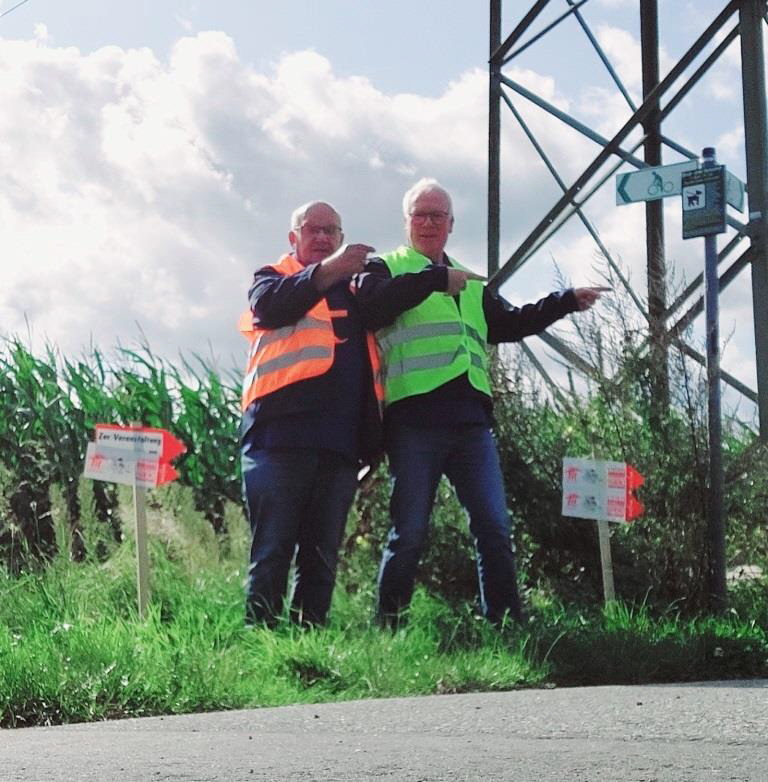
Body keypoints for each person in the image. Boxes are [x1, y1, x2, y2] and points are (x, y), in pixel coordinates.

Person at [355, 178, 607, 627]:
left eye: (437, 215)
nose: (428, 223)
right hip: (414, 423)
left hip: (471, 425)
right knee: (409, 532)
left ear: (451, 224)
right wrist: (434, 279)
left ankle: (506, 625)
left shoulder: (469, 283)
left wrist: (565, 301)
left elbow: (508, 324)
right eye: (420, 214)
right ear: (406, 221)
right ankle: (389, 627)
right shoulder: (384, 268)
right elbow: (372, 310)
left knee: (493, 528)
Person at [238, 201, 382, 627]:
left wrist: (371, 446)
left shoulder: (357, 295)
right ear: (293, 237)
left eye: (331, 231)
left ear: (341, 237)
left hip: (338, 448)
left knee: (321, 557)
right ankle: (260, 640)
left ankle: (309, 645)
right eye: (312, 229)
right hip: (277, 441)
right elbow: (273, 307)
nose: (322, 238)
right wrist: (331, 270)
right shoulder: (270, 279)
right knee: (273, 550)